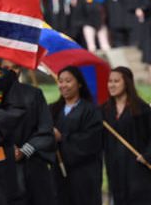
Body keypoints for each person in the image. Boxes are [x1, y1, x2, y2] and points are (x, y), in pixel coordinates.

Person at [0, 60, 57, 205]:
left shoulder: (33, 94)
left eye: (15, 67)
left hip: (32, 166)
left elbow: (46, 131)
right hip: (0, 168)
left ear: (20, 69)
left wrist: (24, 151)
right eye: (5, 68)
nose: (11, 72)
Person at [102, 66, 151, 205]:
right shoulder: (104, 111)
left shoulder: (142, 109)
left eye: (116, 81)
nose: (111, 85)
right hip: (116, 169)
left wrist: (148, 155)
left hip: (138, 168)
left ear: (127, 83)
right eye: (110, 81)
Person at [50, 66, 103, 205]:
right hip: (58, 174)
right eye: (60, 81)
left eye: (68, 81)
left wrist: (62, 137)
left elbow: (92, 141)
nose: (63, 85)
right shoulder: (53, 110)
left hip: (84, 175)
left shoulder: (90, 111)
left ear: (79, 84)